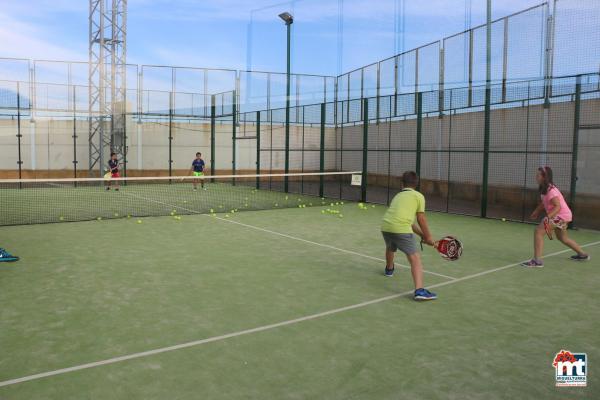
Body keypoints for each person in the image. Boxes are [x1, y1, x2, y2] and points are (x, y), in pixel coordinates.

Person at [381, 171, 438, 301]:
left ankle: (389, 269)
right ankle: (419, 290)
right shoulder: (419, 196)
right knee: (415, 259)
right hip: (400, 228)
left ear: (402, 184)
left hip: (385, 226)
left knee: (391, 247)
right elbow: (421, 218)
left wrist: (422, 235)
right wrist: (429, 237)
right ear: (416, 184)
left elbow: (410, 223)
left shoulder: (398, 196)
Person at [522, 166, 590, 267]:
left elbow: (557, 207)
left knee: (539, 232)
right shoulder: (544, 189)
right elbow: (544, 202)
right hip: (565, 216)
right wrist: (536, 211)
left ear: (545, 177)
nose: (536, 177)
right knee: (563, 238)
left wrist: (547, 217)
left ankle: (537, 261)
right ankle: (583, 254)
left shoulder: (551, 190)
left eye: (538, 175)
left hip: (560, 216)